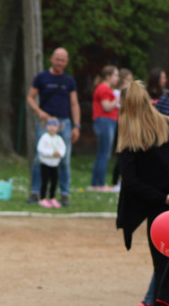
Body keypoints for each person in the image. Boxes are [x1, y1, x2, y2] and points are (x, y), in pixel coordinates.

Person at [115, 81, 169, 306]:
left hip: (161, 212)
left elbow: (130, 182)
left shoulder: (131, 139)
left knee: (163, 270)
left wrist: (161, 198)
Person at [26, 48, 80, 206]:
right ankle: (36, 193)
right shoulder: (42, 77)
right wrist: (39, 112)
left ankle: (64, 194)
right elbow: (30, 97)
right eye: (57, 59)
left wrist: (76, 125)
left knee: (64, 160)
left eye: (63, 60)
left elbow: (74, 104)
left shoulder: (69, 81)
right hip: (45, 123)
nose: (60, 63)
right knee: (39, 158)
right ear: (51, 59)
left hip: (64, 124)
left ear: (66, 62)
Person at [89, 65, 120, 192]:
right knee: (105, 154)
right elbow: (106, 107)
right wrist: (118, 98)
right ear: (108, 76)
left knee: (102, 153)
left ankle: (95, 184)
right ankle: (100, 184)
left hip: (106, 122)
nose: (117, 78)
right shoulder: (104, 88)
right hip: (105, 122)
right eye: (115, 75)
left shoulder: (105, 88)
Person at [36, 118, 67, 208]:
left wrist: (60, 154)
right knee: (45, 181)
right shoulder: (44, 138)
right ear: (46, 127)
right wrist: (51, 154)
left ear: (58, 128)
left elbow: (63, 149)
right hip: (45, 163)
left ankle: (52, 198)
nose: (52, 128)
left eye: (54, 126)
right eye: (50, 125)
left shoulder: (59, 139)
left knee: (54, 182)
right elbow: (40, 150)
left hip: (55, 164)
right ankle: (42, 199)